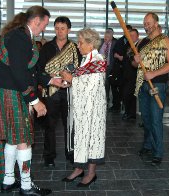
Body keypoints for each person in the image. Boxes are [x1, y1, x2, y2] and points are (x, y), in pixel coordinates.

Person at [0, 7, 63, 196]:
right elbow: (19, 72)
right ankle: (25, 185)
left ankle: (8, 180)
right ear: (36, 21)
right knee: (23, 140)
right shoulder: (19, 37)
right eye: (45, 24)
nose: (45, 29)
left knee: (13, 139)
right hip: (14, 93)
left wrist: (50, 80)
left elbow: (29, 70)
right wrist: (34, 100)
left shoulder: (20, 35)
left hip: (9, 92)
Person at [60, 28, 106, 187]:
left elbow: (91, 87)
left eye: (80, 42)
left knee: (92, 140)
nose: (78, 45)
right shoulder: (86, 59)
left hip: (93, 111)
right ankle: (79, 168)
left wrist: (72, 79)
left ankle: (91, 173)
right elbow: (83, 80)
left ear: (91, 43)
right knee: (81, 138)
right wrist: (71, 79)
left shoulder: (97, 61)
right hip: (83, 109)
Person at [133, 12, 169, 166]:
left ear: (157, 23)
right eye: (144, 23)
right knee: (145, 119)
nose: (146, 26)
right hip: (143, 86)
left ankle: (158, 152)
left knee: (156, 120)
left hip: (157, 85)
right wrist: (136, 60)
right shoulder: (142, 42)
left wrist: (154, 74)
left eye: (149, 23)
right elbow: (134, 65)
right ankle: (147, 145)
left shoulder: (166, 41)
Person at [38, 16, 81, 167]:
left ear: (68, 30)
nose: (59, 31)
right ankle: (49, 155)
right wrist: (50, 77)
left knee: (69, 124)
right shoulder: (47, 47)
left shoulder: (76, 47)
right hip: (52, 90)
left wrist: (71, 78)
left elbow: (80, 68)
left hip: (69, 90)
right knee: (50, 124)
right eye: (57, 28)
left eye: (63, 28)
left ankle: (71, 153)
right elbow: (39, 69)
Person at [108, 25, 132, 113]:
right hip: (117, 68)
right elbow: (114, 51)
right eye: (125, 31)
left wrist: (123, 57)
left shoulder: (131, 42)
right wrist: (117, 56)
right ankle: (116, 105)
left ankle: (126, 109)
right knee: (114, 86)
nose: (126, 33)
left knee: (124, 89)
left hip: (127, 69)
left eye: (128, 31)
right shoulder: (120, 40)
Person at [121, 28, 139, 120]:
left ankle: (130, 113)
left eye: (133, 35)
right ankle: (129, 113)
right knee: (127, 95)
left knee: (128, 95)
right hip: (126, 74)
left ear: (137, 36)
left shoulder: (139, 47)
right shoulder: (128, 46)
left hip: (134, 75)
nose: (131, 37)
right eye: (129, 36)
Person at [99, 28, 117, 104]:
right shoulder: (101, 42)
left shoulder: (115, 43)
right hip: (101, 66)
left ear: (111, 37)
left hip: (110, 66)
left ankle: (108, 97)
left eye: (107, 37)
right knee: (102, 82)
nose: (105, 38)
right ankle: (103, 96)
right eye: (105, 36)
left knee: (108, 82)